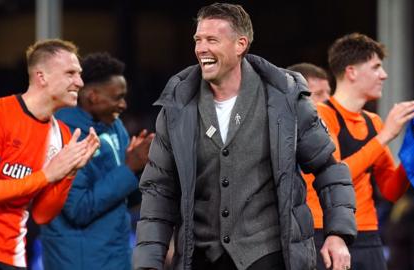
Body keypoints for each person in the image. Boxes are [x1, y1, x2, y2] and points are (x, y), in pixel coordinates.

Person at [133, 3, 356, 270]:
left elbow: (329, 170)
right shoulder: (177, 107)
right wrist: (148, 264)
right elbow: (159, 190)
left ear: (240, 45)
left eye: (211, 40)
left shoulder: (284, 98)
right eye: (198, 40)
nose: (201, 48)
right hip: (203, 258)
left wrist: (338, 234)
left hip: (269, 256)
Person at [303, 32, 414, 269]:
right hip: (324, 232)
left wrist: (413, 153)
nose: (384, 75)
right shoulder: (321, 115)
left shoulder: (373, 121)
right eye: (376, 67)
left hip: (368, 234)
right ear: (352, 72)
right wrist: (386, 136)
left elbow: (390, 191)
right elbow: (334, 174)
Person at [40, 52, 154, 270]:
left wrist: (141, 168)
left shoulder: (115, 127)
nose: (123, 105)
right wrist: (129, 168)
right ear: (92, 96)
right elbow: (78, 210)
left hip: (114, 256)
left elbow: (124, 198)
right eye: (117, 97)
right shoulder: (63, 136)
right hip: (78, 261)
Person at [0, 39, 100, 269]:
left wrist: (69, 172)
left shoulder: (62, 135)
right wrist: (46, 175)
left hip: (12, 257)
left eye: (80, 74)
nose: (80, 82)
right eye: (70, 73)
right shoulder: (0, 114)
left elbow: (42, 215)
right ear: (41, 77)